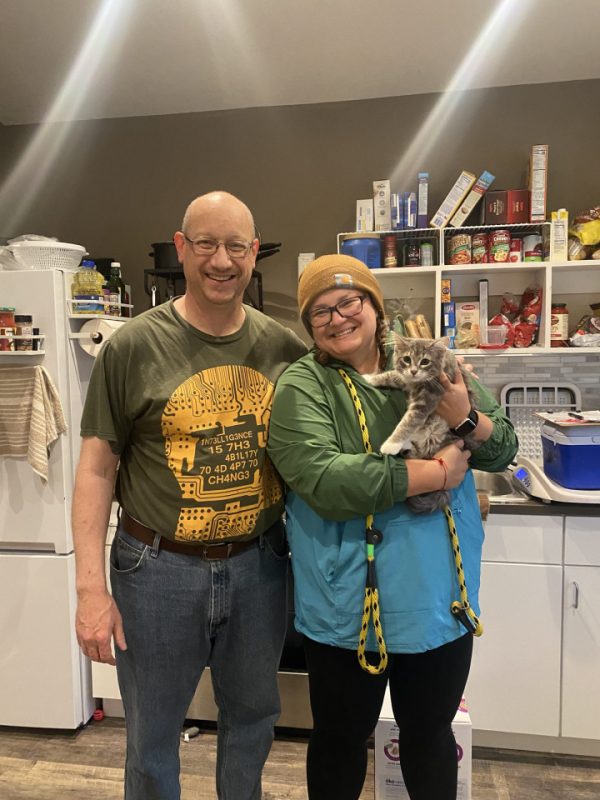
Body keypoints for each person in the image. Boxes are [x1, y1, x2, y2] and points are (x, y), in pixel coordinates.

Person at [72, 190, 307, 800]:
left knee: (253, 722)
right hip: (155, 568)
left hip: (260, 565)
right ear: (182, 248)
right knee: (151, 735)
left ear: (255, 253)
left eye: (236, 246)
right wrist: (90, 591)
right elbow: (96, 471)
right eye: (206, 243)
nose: (221, 260)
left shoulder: (286, 349)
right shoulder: (130, 348)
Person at [267, 254, 518, 800]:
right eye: (320, 312)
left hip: (437, 598)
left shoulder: (433, 361)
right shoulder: (302, 386)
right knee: (339, 738)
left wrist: (463, 416)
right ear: (309, 326)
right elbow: (326, 479)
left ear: (374, 307)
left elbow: (503, 449)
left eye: (349, 302)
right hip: (347, 603)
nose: (337, 319)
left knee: (428, 738)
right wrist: (435, 472)